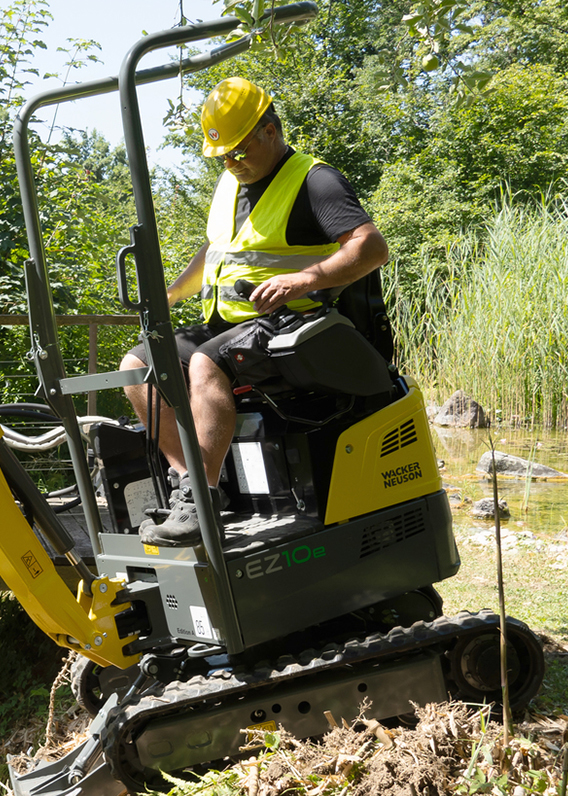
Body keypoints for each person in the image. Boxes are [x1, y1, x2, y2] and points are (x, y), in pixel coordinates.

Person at [120, 77, 390, 546]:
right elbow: (217, 250)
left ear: (270, 129)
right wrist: (171, 294)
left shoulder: (315, 181)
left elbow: (371, 249)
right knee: (137, 366)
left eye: (240, 151)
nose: (231, 163)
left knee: (206, 363)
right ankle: (196, 485)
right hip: (230, 323)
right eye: (222, 156)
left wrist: (303, 279)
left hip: (296, 322)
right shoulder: (230, 183)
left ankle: (198, 502)